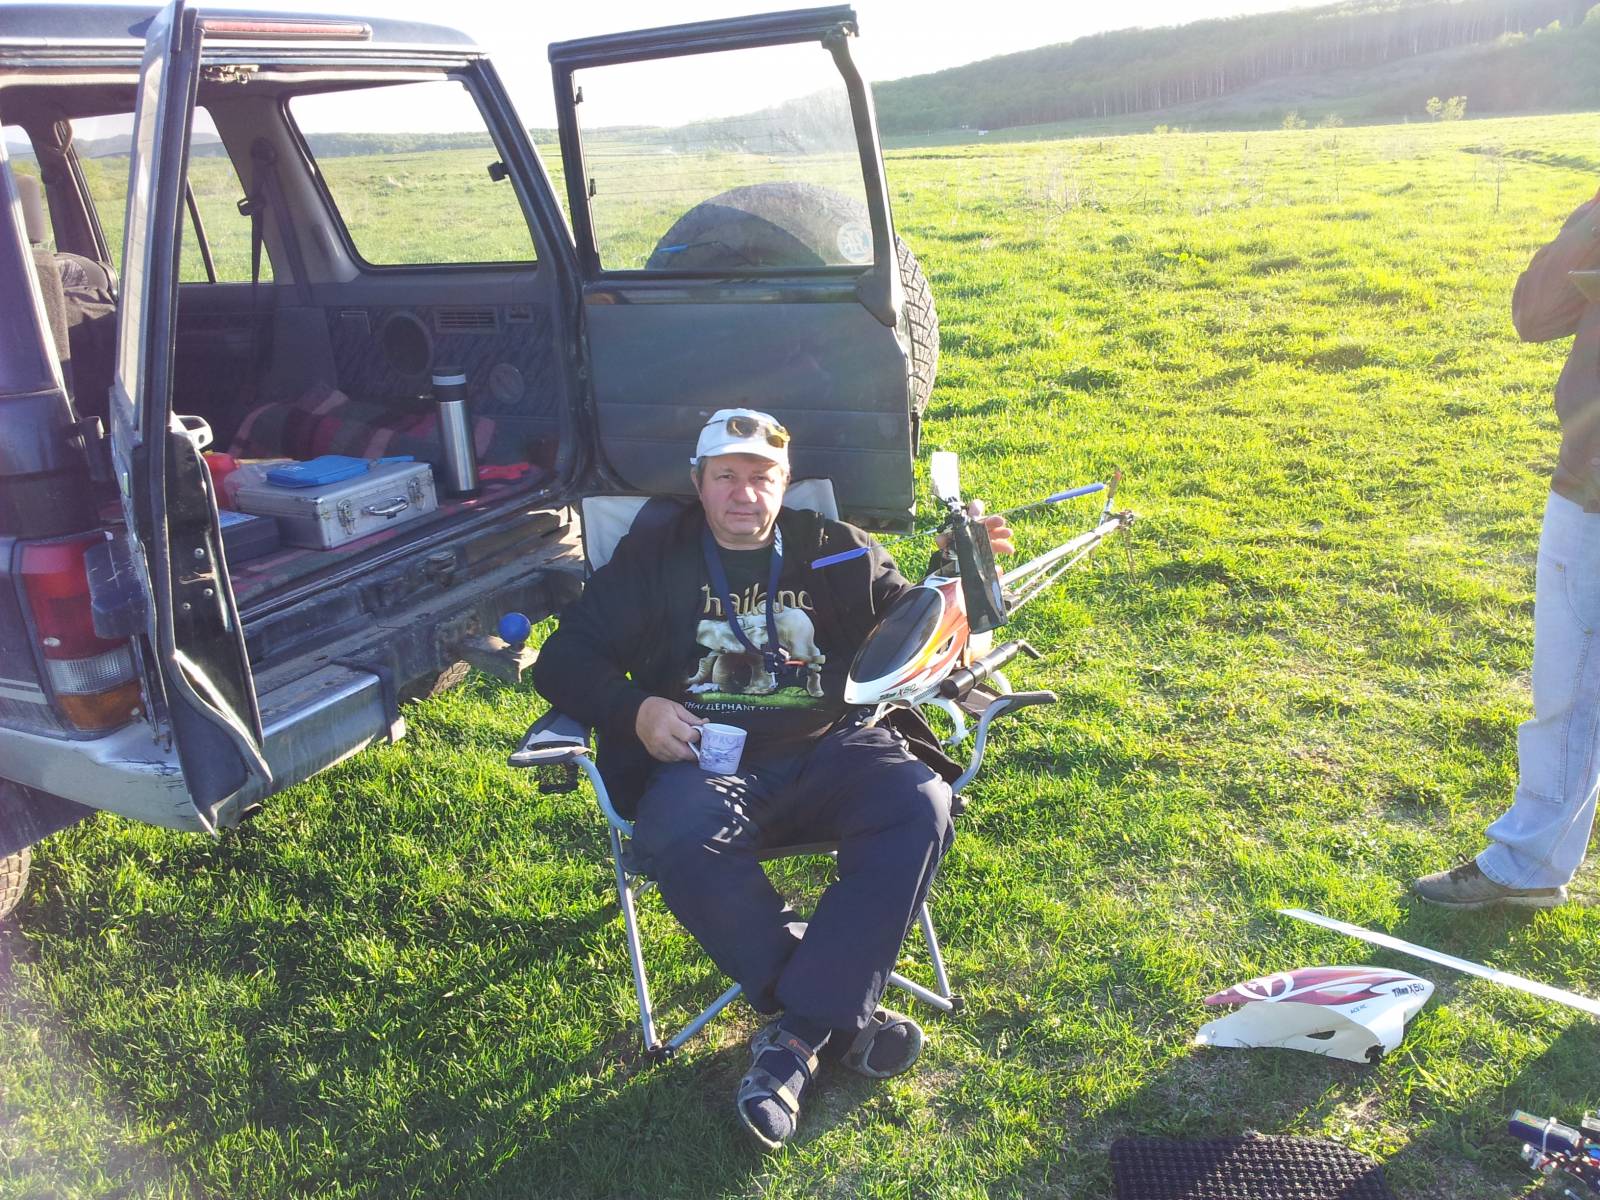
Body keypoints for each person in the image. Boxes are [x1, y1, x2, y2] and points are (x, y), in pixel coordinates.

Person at [531, 408, 1013, 1149]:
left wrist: (961, 577)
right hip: (704, 763)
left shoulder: (836, 549)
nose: (744, 493)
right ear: (698, 483)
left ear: (786, 482)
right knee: (677, 833)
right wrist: (636, 710)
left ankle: (796, 1035)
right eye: (726, 476)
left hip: (832, 748)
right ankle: (828, 1016)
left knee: (920, 799)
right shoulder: (654, 558)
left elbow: (919, 632)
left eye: (762, 477)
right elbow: (563, 660)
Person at [1415, 186, 1600, 909]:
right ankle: (1530, 862)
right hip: (1588, 482)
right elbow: (1536, 314)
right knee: (1569, 680)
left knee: (1574, 681)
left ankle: (1529, 862)